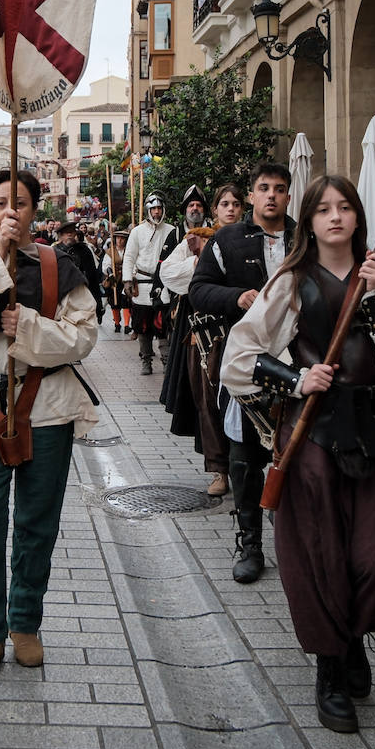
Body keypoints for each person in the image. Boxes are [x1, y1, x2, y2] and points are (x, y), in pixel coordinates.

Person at [221, 174, 375, 734]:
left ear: (358, 216)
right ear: (307, 221)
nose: (335, 217)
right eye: (323, 209)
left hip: (374, 433)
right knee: (320, 552)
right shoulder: (291, 279)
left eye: (345, 207)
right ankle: (332, 666)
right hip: (310, 437)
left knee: (373, 556)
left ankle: (355, 636)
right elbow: (240, 356)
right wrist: (296, 377)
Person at [0, 169, 98, 677]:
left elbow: (84, 337)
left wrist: (29, 326)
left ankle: (25, 623)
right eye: (2, 202)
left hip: (47, 403)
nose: (12, 209)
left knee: (37, 520)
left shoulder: (60, 267)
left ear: (37, 210)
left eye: (22, 202)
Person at [188, 162, 294, 584]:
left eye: (280, 189)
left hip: (300, 363)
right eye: (264, 188)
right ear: (252, 196)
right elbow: (199, 291)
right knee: (246, 458)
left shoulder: (306, 238)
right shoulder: (228, 239)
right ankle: (250, 542)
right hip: (246, 364)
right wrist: (237, 297)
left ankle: (298, 538)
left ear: (288, 195)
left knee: (301, 454)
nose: (271, 195)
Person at [158, 185, 232, 497]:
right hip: (203, 332)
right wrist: (198, 259)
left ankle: (245, 465)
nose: (195, 209)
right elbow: (169, 275)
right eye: (223, 204)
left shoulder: (249, 238)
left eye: (235, 204)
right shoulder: (187, 239)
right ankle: (219, 469)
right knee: (208, 401)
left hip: (243, 329)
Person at [123, 194, 177, 373]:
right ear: (147, 210)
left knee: (163, 327)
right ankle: (146, 360)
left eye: (159, 208)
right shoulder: (137, 231)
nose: (156, 212)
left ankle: (166, 361)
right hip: (143, 286)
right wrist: (127, 280)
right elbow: (129, 257)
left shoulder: (172, 231)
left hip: (163, 285)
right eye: (153, 209)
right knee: (143, 328)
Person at [56, 221, 103, 323]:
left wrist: (98, 303)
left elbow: (92, 277)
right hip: (60, 297)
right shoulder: (54, 251)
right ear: (60, 235)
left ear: (75, 234)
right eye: (65, 232)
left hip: (81, 295)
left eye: (71, 232)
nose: (69, 234)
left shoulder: (84, 250)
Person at [102, 230, 131, 335]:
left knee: (126, 301)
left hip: (126, 278)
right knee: (115, 302)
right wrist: (110, 273)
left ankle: (127, 325)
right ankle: (117, 324)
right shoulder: (110, 251)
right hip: (114, 280)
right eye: (118, 238)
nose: (120, 240)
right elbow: (105, 266)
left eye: (122, 238)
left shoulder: (129, 251)